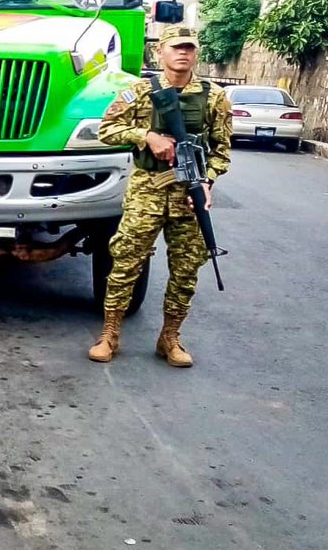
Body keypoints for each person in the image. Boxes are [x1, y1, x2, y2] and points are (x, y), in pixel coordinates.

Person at [89, 25, 232, 368]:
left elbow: (221, 151)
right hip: (146, 192)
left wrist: (207, 183)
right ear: (160, 53)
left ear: (196, 53)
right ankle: (110, 334)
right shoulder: (139, 91)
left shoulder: (214, 97)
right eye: (176, 47)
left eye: (189, 48)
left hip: (188, 196)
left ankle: (170, 338)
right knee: (125, 262)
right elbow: (106, 130)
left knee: (185, 270)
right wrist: (146, 136)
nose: (183, 53)